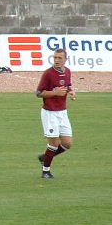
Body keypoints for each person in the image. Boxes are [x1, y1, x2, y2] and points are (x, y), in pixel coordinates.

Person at [36, 48, 76, 179]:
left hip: (62, 112)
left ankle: (45, 157)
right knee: (53, 143)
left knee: (67, 144)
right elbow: (39, 93)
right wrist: (55, 93)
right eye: (55, 58)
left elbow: (68, 85)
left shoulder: (68, 72)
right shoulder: (48, 73)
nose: (57, 60)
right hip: (50, 113)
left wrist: (71, 91)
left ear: (66, 59)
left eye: (59, 58)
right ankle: (45, 171)